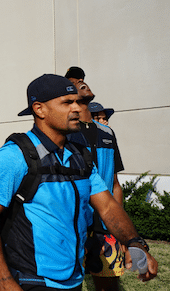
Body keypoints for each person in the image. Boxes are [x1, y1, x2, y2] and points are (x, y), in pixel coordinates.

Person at [0, 74, 158, 290]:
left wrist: (135, 242)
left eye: (78, 102)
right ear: (39, 109)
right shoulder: (14, 157)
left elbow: (108, 207)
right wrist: (5, 281)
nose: (78, 109)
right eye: (67, 102)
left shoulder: (80, 156)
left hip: (74, 278)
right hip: (33, 280)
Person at [67, 86, 125, 291]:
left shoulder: (108, 134)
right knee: (69, 284)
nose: (103, 118)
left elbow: (116, 184)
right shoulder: (67, 133)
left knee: (108, 284)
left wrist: (120, 227)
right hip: (75, 225)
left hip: (106, 224)